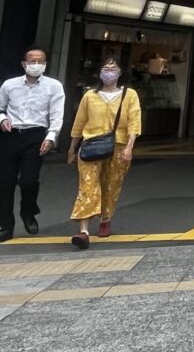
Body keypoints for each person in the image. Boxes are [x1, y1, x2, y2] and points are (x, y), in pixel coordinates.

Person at [67, 58, 141, 248]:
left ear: (120, 72)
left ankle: (105, 218)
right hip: (91, 144)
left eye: (113, 68)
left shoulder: (129, 94)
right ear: (99, 72)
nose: (109, 72)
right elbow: (79, 121)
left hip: (119, 146)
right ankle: (83, 231)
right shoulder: (90, 95)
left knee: (111, 184)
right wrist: (72, 147)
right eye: (105, 68)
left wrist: (129, 147)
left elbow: (134, 121)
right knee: (88, 185)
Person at [0, 48, 65, 241]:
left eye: (40, 61)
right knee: (5, 183)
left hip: (36, 135)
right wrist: (2, 119)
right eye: (32, 60)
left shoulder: (54, 86)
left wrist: (51, 137)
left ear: (45, 64)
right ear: (23, 63)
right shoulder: (9, 85)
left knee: (29, 180)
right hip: (10, 135)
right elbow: (0, 107)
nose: (36, 64)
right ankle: (6, 225)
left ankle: (28, 212)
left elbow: (56, 114)